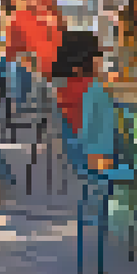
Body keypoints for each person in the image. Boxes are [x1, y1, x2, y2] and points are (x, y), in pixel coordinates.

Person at [50, 29, 117, 171]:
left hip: (64, 174)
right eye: (98, 53)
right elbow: (99, 161)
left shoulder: (58, 90)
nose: (102, 58)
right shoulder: (96, 93)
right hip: (93, 180)